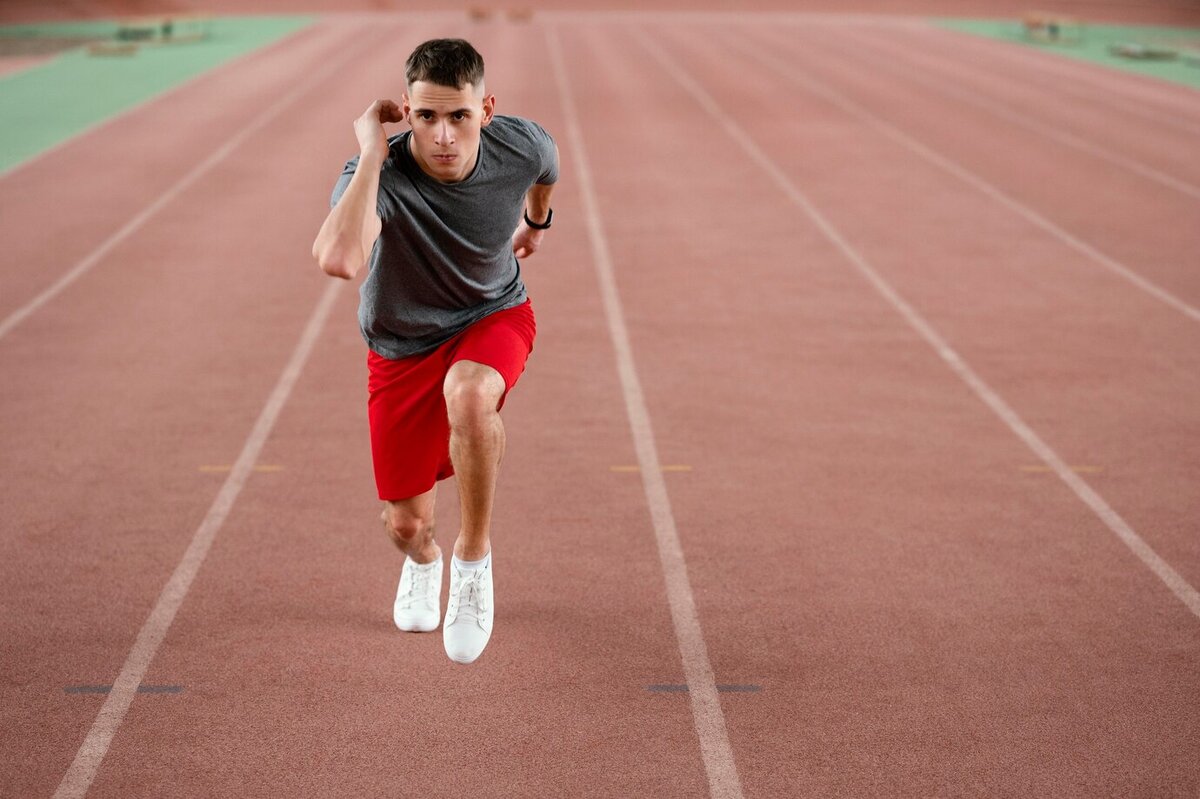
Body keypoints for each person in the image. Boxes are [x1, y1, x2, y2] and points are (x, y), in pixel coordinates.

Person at [311, 38, 558, 665]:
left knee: (472, 395)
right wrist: (370, 151)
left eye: (458, 116)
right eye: (426, 117)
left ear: (487, 110)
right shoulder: (379, 174)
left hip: (492, 313)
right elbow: (340, 260)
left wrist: (535, 224)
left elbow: (547, 173)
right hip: (401, 345)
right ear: (406, 111)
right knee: (406, 527)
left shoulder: (522, 145)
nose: (443, 135)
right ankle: (427, 562)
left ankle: (473, 566)